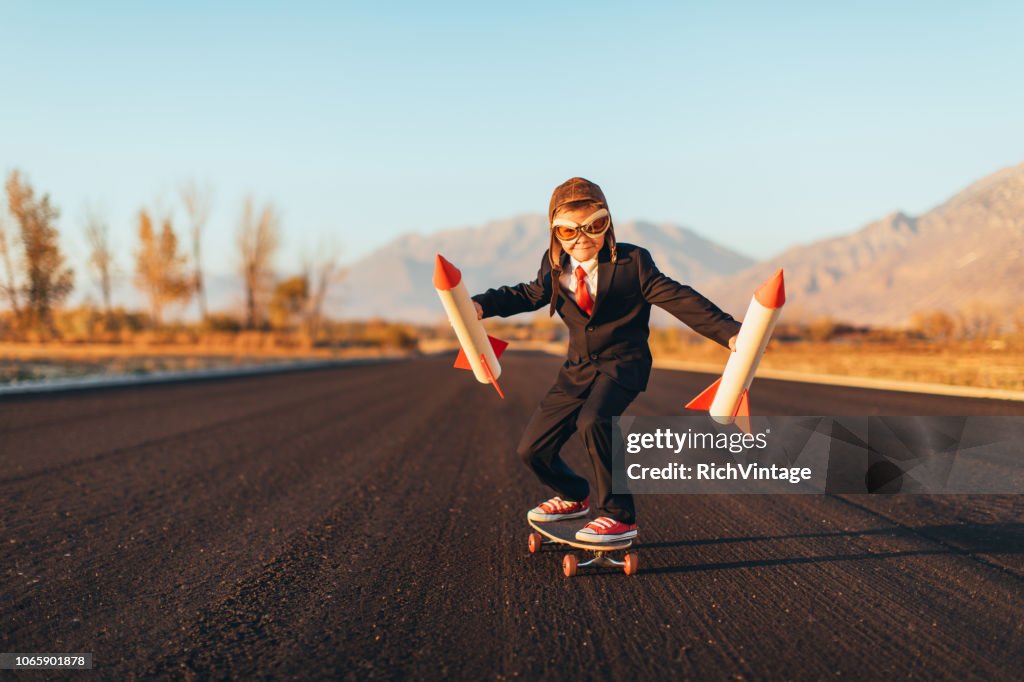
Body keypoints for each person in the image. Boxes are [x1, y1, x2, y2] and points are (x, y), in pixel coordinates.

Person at [471, 177, 739, 544]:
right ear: (555, 234)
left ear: (608, 225)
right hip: (577, 370)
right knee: (531, 449)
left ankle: (618, 515)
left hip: (623, 365)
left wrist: (731, 332)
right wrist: (482, 304)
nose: (581, 238)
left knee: (594, 420)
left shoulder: (634, 262)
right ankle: (573, 493)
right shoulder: (554, 266)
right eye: (568, 230)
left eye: (594, 226)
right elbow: (528, 294)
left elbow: (680, 298)